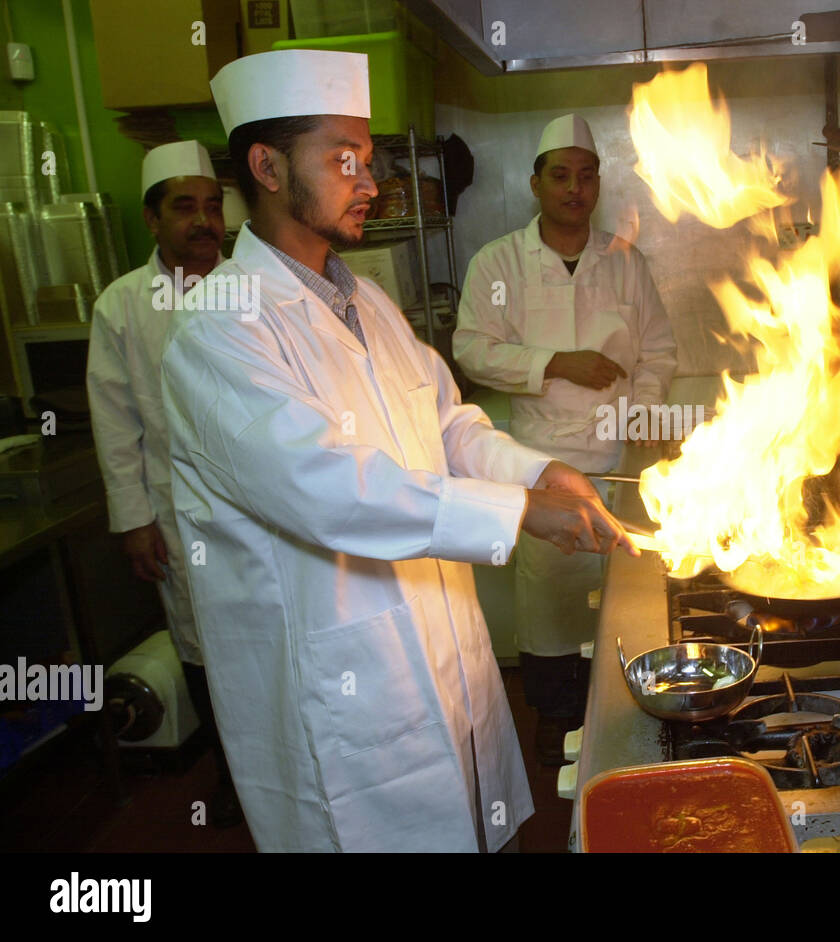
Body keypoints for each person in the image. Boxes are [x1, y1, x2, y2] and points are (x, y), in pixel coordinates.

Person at [160, 49, 633, 852]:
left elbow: (448, 424)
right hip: (343, 692)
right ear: (268, 166)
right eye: (344, 158)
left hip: (443, 651)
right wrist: (521, 512)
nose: (372, 181)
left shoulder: (365, 298)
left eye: (368, 157)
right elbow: (326, 489)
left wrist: (539, 470)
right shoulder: (219, 329)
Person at [453, 114, 677, 764]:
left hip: (621, 462)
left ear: (597, 185)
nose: (574, 189)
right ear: (536, 183)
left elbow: (659, 350)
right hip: (543, 465)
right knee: (552, 608)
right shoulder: (499, 263)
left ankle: (624, 722)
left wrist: (645, 409)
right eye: (560, 176)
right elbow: (471, 350)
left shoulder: (625, 262)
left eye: (586, 177)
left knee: (625, 607)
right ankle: (554, 723)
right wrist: (554, 362)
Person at [85, 140, 242, 827]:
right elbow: (115, 422)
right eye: (186, 207)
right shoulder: (121, 306)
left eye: (214, 207)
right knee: (203, 649)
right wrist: (133, 518)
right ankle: (233, 775)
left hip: (261, 511)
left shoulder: (256, 286)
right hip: (180, 516)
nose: (205, 221)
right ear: (152, 219)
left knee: (275, 644)